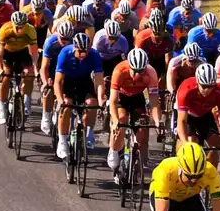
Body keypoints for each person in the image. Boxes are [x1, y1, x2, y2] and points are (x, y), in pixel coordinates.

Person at [109, 48, 162, 179]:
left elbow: (154, 101)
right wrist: (115, 121)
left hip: (137, 98)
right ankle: (114, 151)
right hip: (122, 97)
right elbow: (113, 101)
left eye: (141, 71)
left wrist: (157, 121)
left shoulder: (151, 73)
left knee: (142, 128)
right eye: (135, 70)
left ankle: (136, 160)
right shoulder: (120, 70)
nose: (137, 74)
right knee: (121, 120)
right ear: (129, 65)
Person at [53, 31, 103, 160]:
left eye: (85, 51)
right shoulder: (65, 53)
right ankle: (62, 141)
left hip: (84, 82)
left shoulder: (94, 55)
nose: (83, 55)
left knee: (92, 104)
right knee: (67, 105)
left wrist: (101, 99)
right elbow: (58, 81)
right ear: (74, 47)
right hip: (68, 82)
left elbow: (99, 81)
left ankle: (89, 132)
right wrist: (59, 99)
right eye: (80, 52)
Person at [175, 62, 220, 155]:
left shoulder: (219, 91)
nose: (207, 90)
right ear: (197, 82)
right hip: (188, 115)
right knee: (190, 143)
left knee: (216, 143)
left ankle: (211, 168)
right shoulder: (186, 90)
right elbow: (182, 121)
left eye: (210, 86)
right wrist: (185, 143)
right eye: (204, 86)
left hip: (205, 114)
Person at [0, 9, 39, 125]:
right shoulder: (5, 30)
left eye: (22, 26)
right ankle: (2, 106)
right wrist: (0, 70)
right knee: (6, 76)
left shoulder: (30, 30)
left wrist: (35, 70)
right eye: (17, 27)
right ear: (13, 24)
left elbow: (34, 53)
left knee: (29, 75)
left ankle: (27, 100)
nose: (20, 29)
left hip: (22, 53)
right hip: (8, 54)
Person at [38, 19, 76, 136]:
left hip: (66, 70)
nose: (65, 42)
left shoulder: (74, 43)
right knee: (49, 89)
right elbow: (44, 67)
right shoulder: (50, 43)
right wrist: (45, 81)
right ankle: (46, 115)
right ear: (58, 34)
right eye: (62, 39)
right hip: (52, 68)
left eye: (67, 39)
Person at [134, 10, 173, 77]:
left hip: (159, 55)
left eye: (160, 36)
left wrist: (165, 74)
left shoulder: (169, 39)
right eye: (155, 37)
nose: (158, 40)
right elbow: (138, 58)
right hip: (146, 55)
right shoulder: (141, 38)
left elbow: (168, 59)